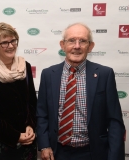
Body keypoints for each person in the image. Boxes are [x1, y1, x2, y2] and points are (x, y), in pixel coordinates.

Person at [36, 22, 125, 160]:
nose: (77, 46)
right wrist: (44, 145)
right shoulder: (48, 74)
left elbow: (114, 121)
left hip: (92, 153)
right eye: (71, 40)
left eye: (82, 41)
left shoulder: (104, 74)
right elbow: (42, 114)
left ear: (90, 47)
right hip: (57, 152)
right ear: (62, 45)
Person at [0, 22, 37, 160]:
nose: (11, 46)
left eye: (13, 41)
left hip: (28, 141)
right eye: (4, 43)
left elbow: (32, 103)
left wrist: (30, 126)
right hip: (3, 143)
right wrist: (16, 136)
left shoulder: (25, 66)